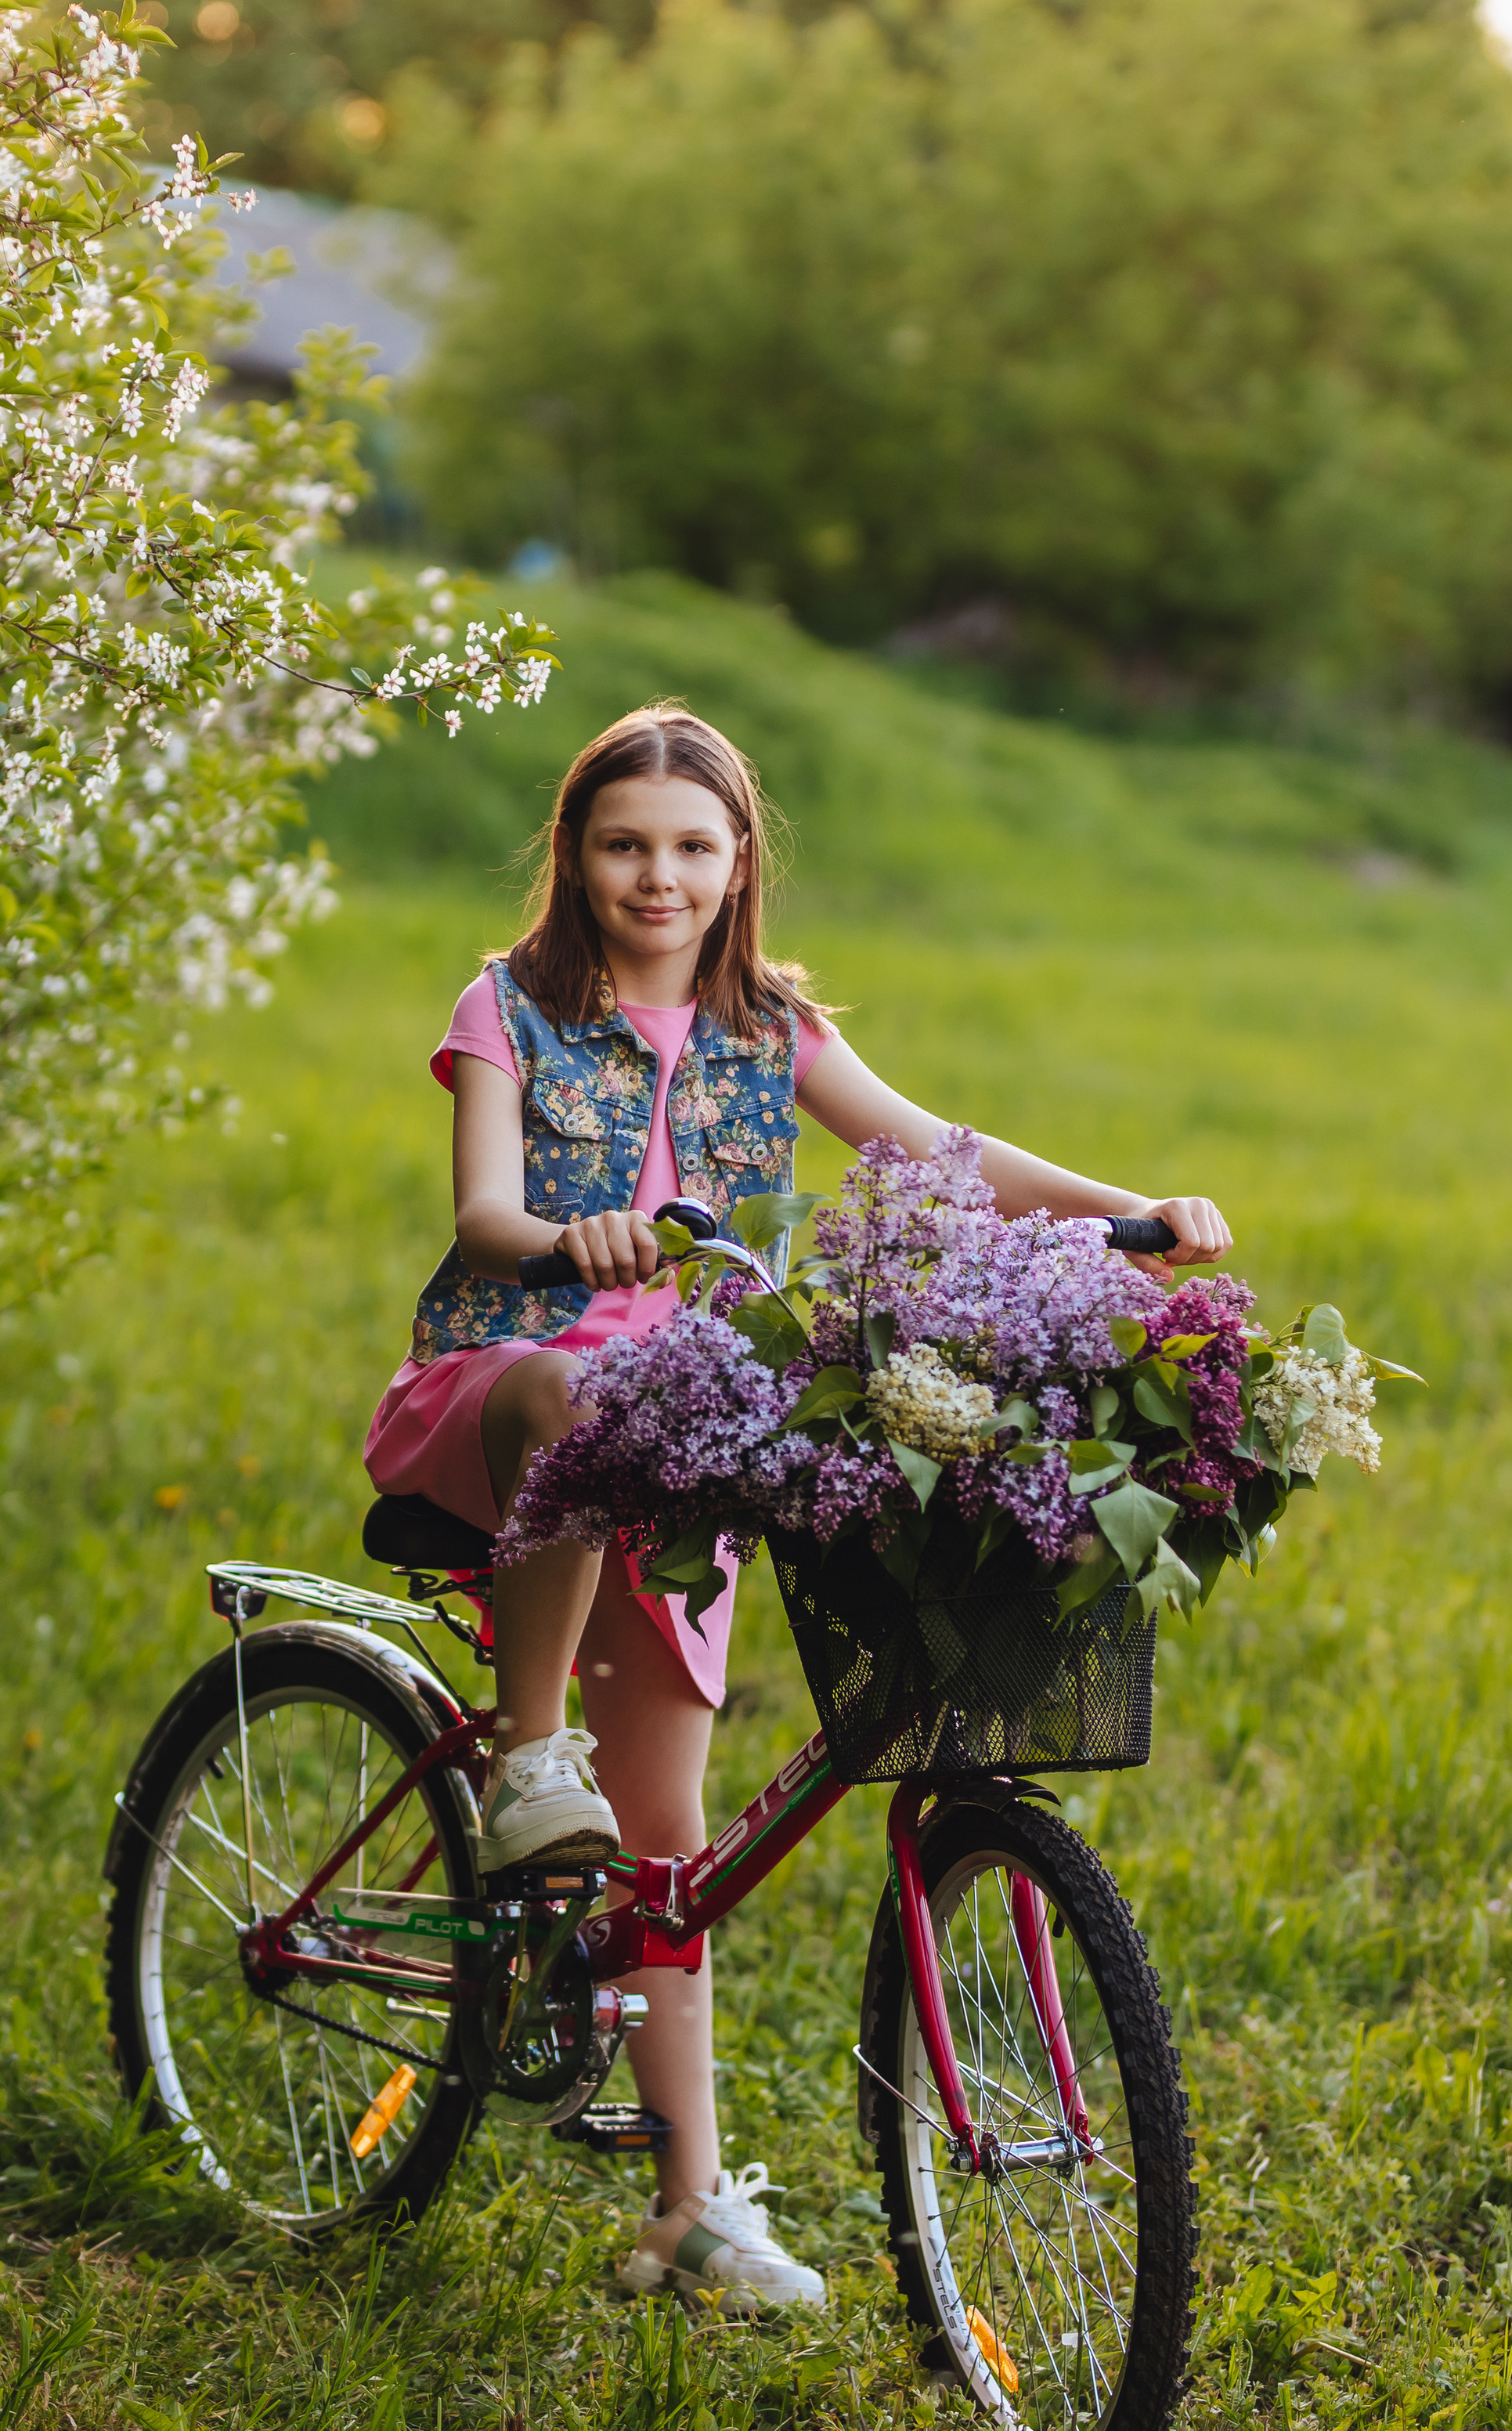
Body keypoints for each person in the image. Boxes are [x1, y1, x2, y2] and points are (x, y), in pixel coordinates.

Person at [363, 703, 1231, 2310]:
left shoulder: (771, 1030)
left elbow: (941, 1153)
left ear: (738, 860)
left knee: (667, 1839)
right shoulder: (510, 1006)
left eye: (691, 847)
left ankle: (687, 2207)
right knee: (570, 1396)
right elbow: (482, 1213)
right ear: (575, 855)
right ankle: (527, 1753)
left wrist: (1133, 1211)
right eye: (624, 844)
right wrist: (569, 1242)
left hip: (683, 1445)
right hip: (499, 1392)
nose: (659, 876)